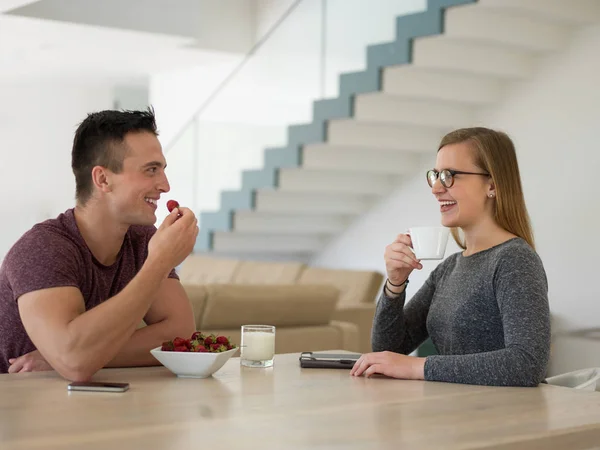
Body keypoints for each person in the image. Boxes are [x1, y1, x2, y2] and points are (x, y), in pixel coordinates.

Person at [0, 108, 198, 380]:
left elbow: (179, 334)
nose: (165, 185)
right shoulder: (42, 248)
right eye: (151, 170)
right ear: (103, 179)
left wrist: (75, 356)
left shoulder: (141, 239)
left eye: (162, 170)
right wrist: (160, 261)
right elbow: (76, 363)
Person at [350, 127, 551, 387]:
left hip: (498, 420)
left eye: (449, 176)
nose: (436, 188)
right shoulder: (450, 268)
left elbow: (527, 364)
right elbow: (388, 349)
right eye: (435, 175)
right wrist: (395, 285)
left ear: (492, 184)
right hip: (451, 413)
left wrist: (418, 366)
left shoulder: (514, 260)